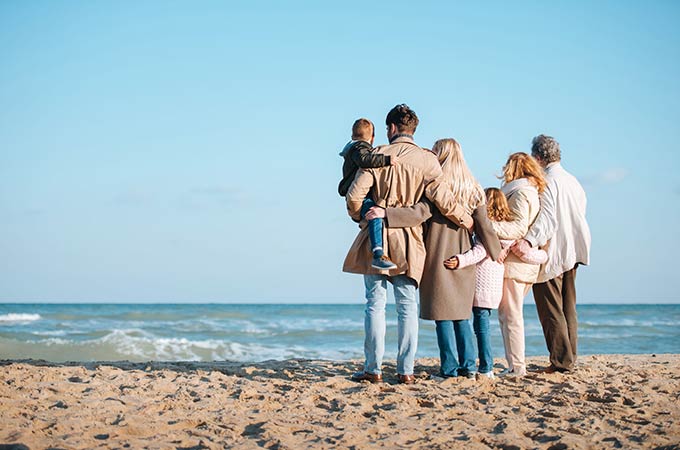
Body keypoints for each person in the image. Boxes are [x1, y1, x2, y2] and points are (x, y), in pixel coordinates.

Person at [343, 105, 476, 384]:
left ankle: (373, 369)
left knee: (375, 305)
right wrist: (467, 221)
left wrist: (362, 217)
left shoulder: (377, 155)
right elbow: (444, 200)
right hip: (409, 238)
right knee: (407, 307)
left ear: (391, 128)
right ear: (413, 130)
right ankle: (406, 370)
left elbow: (355, 197)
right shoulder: (428, 160)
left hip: (377, 238)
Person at [369, 139, 502, 380]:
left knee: (442, 315)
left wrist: (386, 214)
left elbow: (419, 213)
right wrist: (495, 250)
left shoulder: (436, 185)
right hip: (463, 255)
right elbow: (484, 225)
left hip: (437, 252)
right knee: (462, 314)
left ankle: (449, 370)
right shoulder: (473, 187)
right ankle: (470, 367)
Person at [444, 187, 547, 379]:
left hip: (481, 286)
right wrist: (540, 255)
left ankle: (485, 367)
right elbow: (536, 256)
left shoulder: (488, 231)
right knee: (484, 326)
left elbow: (480, 252)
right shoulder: (511, 235)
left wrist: (460, 260)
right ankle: (484, 365)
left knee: (481, 327)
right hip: (494, 288)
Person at [512, 135, 591, 373]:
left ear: (537, 157)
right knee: (568, 306)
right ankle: (569, 356)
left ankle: (560, 361)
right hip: (575, 247)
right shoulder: (573, 181)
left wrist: (528, 241)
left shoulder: (545, 181)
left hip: (553, 249)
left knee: (550, 308)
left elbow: (546, 218)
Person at [491, 152, 546, 377]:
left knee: (511, 315)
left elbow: (518, 228)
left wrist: (487, 225)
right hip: (521, 265)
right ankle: (514, 364)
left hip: (515, 265)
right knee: (508, 314)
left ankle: (517, 366)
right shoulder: (530, 192)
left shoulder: (521, 193)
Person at [338, 118, 398, 270]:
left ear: (353, 135)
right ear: (372, 138)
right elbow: (365, 160)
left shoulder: (353, 148)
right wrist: (386, 160)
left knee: (373, 215)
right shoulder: (360, 148)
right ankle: (378, 252)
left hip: (356, 195)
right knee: (375, 215)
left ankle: (378, 251)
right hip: (362, 197)